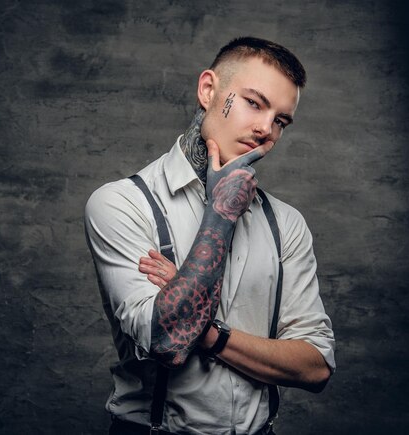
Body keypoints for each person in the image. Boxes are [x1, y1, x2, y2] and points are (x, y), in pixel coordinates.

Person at [84, 36, 335, 435]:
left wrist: (202, 324)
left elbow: (316, 367)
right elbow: (166, 340)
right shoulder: (121, 204)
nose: (265, 130)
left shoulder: (286, 223)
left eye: (281, 121)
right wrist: (221, 214)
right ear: (208, 90)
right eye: (254, 103)